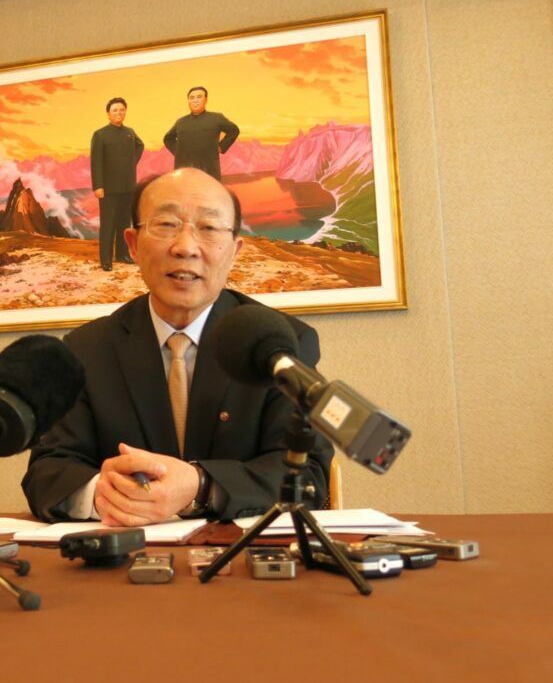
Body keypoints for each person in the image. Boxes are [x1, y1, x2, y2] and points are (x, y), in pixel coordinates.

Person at [22, 167, 333, 525]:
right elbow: (47, 471)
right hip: (126, 550)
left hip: (242, 553)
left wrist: (201, 485)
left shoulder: (280, 344)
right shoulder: (86, 350)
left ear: (235, 251)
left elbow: (308, 475)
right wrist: (101, 495)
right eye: (166, 224)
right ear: (133, 245)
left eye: (209, 227)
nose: (185, 247)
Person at [89, 97, 144, 271]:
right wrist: (98, 186)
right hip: (108, 188)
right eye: (115, 110)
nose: (119, 113)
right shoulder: (100, 135)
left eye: (122, 110)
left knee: (124, 223)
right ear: (108, 114)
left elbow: (140, 146)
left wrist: (131, 162)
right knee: (108, 224)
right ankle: (106, 259)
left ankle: (122, 254)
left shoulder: (130, 132)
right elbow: (95, 162)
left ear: (125, 112)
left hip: (128, 186)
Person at [162, 86, 239, 181]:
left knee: (209, 190)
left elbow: (234, 131)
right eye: (192, 98)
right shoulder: (181, 122)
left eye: (199, 97)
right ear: (188, 101)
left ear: (205, 100)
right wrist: (178, 152)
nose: (195, 100)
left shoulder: (216, 118)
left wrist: (221, 147)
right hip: (184, 171)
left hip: (209, 170)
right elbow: (168, 139)